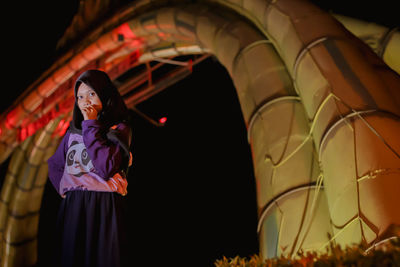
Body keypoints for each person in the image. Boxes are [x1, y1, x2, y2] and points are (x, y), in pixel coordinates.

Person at [47, 69, 133, 267]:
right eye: (80, 96)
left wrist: (91, 125)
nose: (85, 101)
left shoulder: (118, 130)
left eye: (92, 94)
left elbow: (106, 168)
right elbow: (54, 165)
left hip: (105, 207)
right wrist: (64, 188)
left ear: (104, 95)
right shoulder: (72, 135)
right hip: (75, 207)